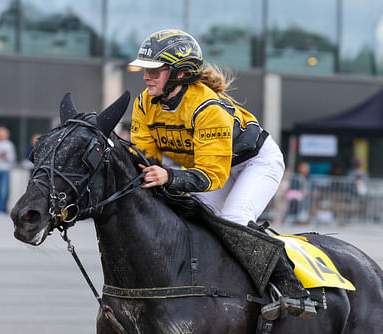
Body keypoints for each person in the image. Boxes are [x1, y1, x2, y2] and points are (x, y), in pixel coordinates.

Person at [128, 29, 316, 321]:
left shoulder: (206, 108)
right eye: (145, 69)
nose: (146, 76)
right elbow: (145, 160)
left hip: (255, 162)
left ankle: (289, 285)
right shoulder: (143, 105)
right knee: (189, 217)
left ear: (180, 74)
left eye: (155, 70)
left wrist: (170, 177)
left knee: (234, 219)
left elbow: (211, 176)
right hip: (214, 166)